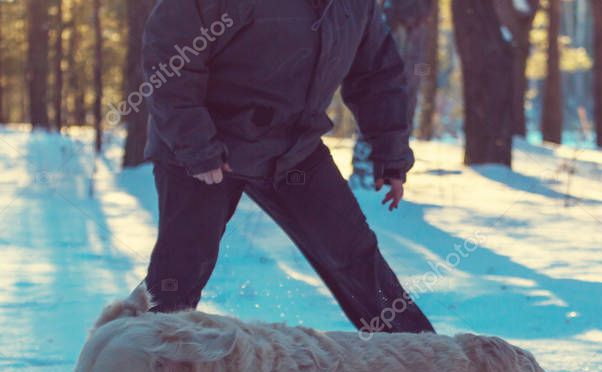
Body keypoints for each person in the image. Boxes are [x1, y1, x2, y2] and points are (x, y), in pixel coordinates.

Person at [140, 0, 434, 336]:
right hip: (209, 144)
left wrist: (390, 152)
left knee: (355, 256)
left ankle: (426, 361)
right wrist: (195, 145)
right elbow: (170, 59)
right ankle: (137, 370)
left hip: (295, 149)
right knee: (178, 274)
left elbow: (376, 74)